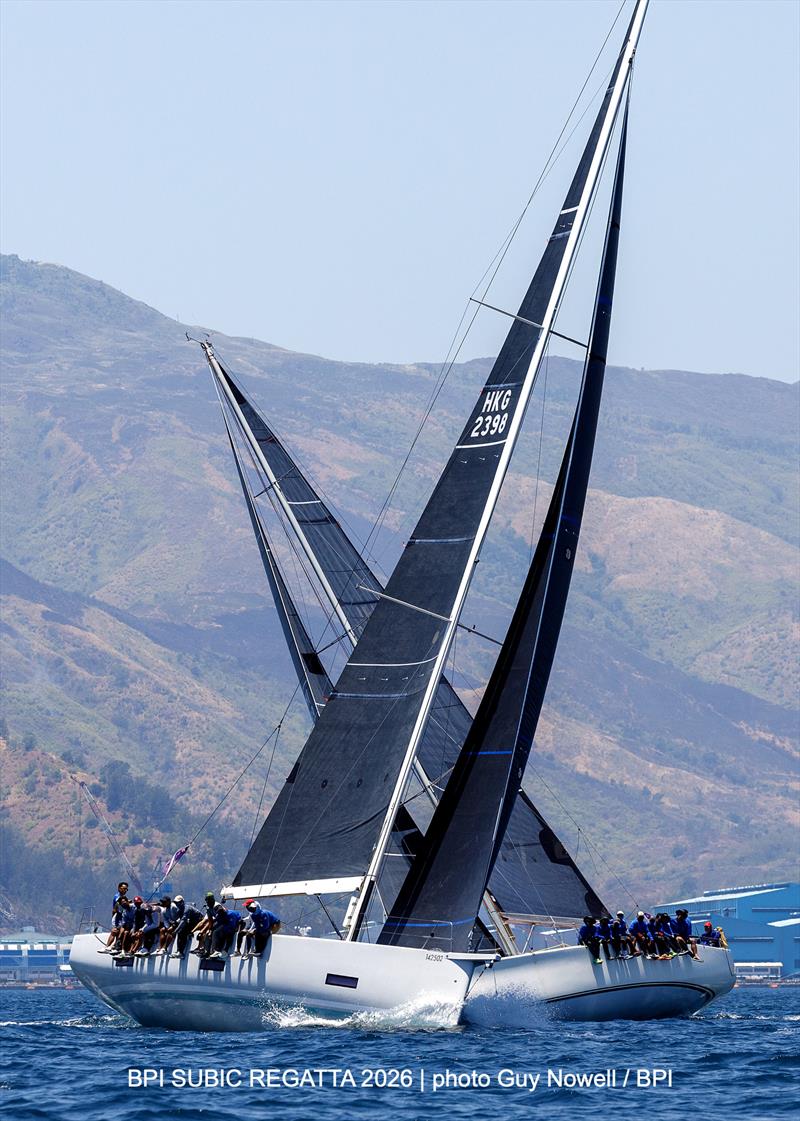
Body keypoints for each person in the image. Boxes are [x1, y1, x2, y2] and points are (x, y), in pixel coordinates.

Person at [190, 892, 217, 958]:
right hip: (212, 924)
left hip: (219, 923)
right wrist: (192, 931)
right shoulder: (209, 908)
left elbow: (211, 921)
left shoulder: (216, 906)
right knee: (203, 931)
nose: (207, 901)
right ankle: (200, 948)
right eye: (206, 900)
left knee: (207, 933)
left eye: (208, 900)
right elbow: (202, 922)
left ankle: (206, 951)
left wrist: (202, 931)